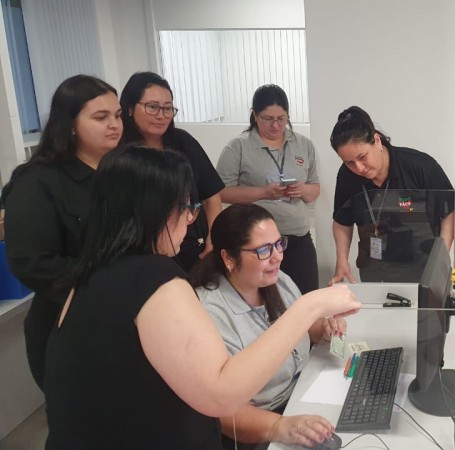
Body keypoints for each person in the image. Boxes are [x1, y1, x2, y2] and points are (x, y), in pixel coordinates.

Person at [43, 145, 360, 449]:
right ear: (154, 211)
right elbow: (221, 395)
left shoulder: (87, 276)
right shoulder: (154, 278)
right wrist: (310, 306)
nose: (191, 219)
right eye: (185, 207)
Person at [0, 74, 122, 389]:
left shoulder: (121, 173)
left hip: (122, 316)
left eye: (118, 115)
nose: (114, 124)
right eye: (101, 117)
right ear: (69, 124)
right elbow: (32, 262)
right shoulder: (37, 181)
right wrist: (106, 286)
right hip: (66, 323)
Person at [192, 203, 345, 449]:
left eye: (278, 244)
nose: (277, 257)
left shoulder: (277, 280)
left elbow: (305, 330)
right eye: (263, 250)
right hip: (263, 425)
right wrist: (279, 427)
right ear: (228, 257)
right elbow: (224, 411)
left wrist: (322, 329)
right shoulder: (209, 311)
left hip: (303, 394)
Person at [328, 106, 455, 284]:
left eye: (362, 157)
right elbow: (342, 222)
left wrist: (440, 262)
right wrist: (341, 261)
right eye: (349, 162)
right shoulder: (347, 176)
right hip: (374, 269)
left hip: (423, 269)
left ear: (377, 141)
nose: (359, 168)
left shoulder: (420, 167)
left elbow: (448, 213)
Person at [216, 85, 320, 294]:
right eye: (268, 118)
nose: (276, 125)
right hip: (257, 247)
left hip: (298, 240)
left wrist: (302, 190)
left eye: (281, 119)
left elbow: (315, 189)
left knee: (306, 299)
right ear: (254, 115)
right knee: (265, 305)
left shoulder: (303, 144)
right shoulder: (238, 146)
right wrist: (263, 192)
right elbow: (221, 192)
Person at [119, 71, 223, 271]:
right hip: (149, 258)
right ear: (130, 108)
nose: (161, 115)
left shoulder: (182, 142)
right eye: (152, 107)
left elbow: (212, 196)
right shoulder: (123, 155)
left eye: (168, 108)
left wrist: (214, 237)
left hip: (199, 249)